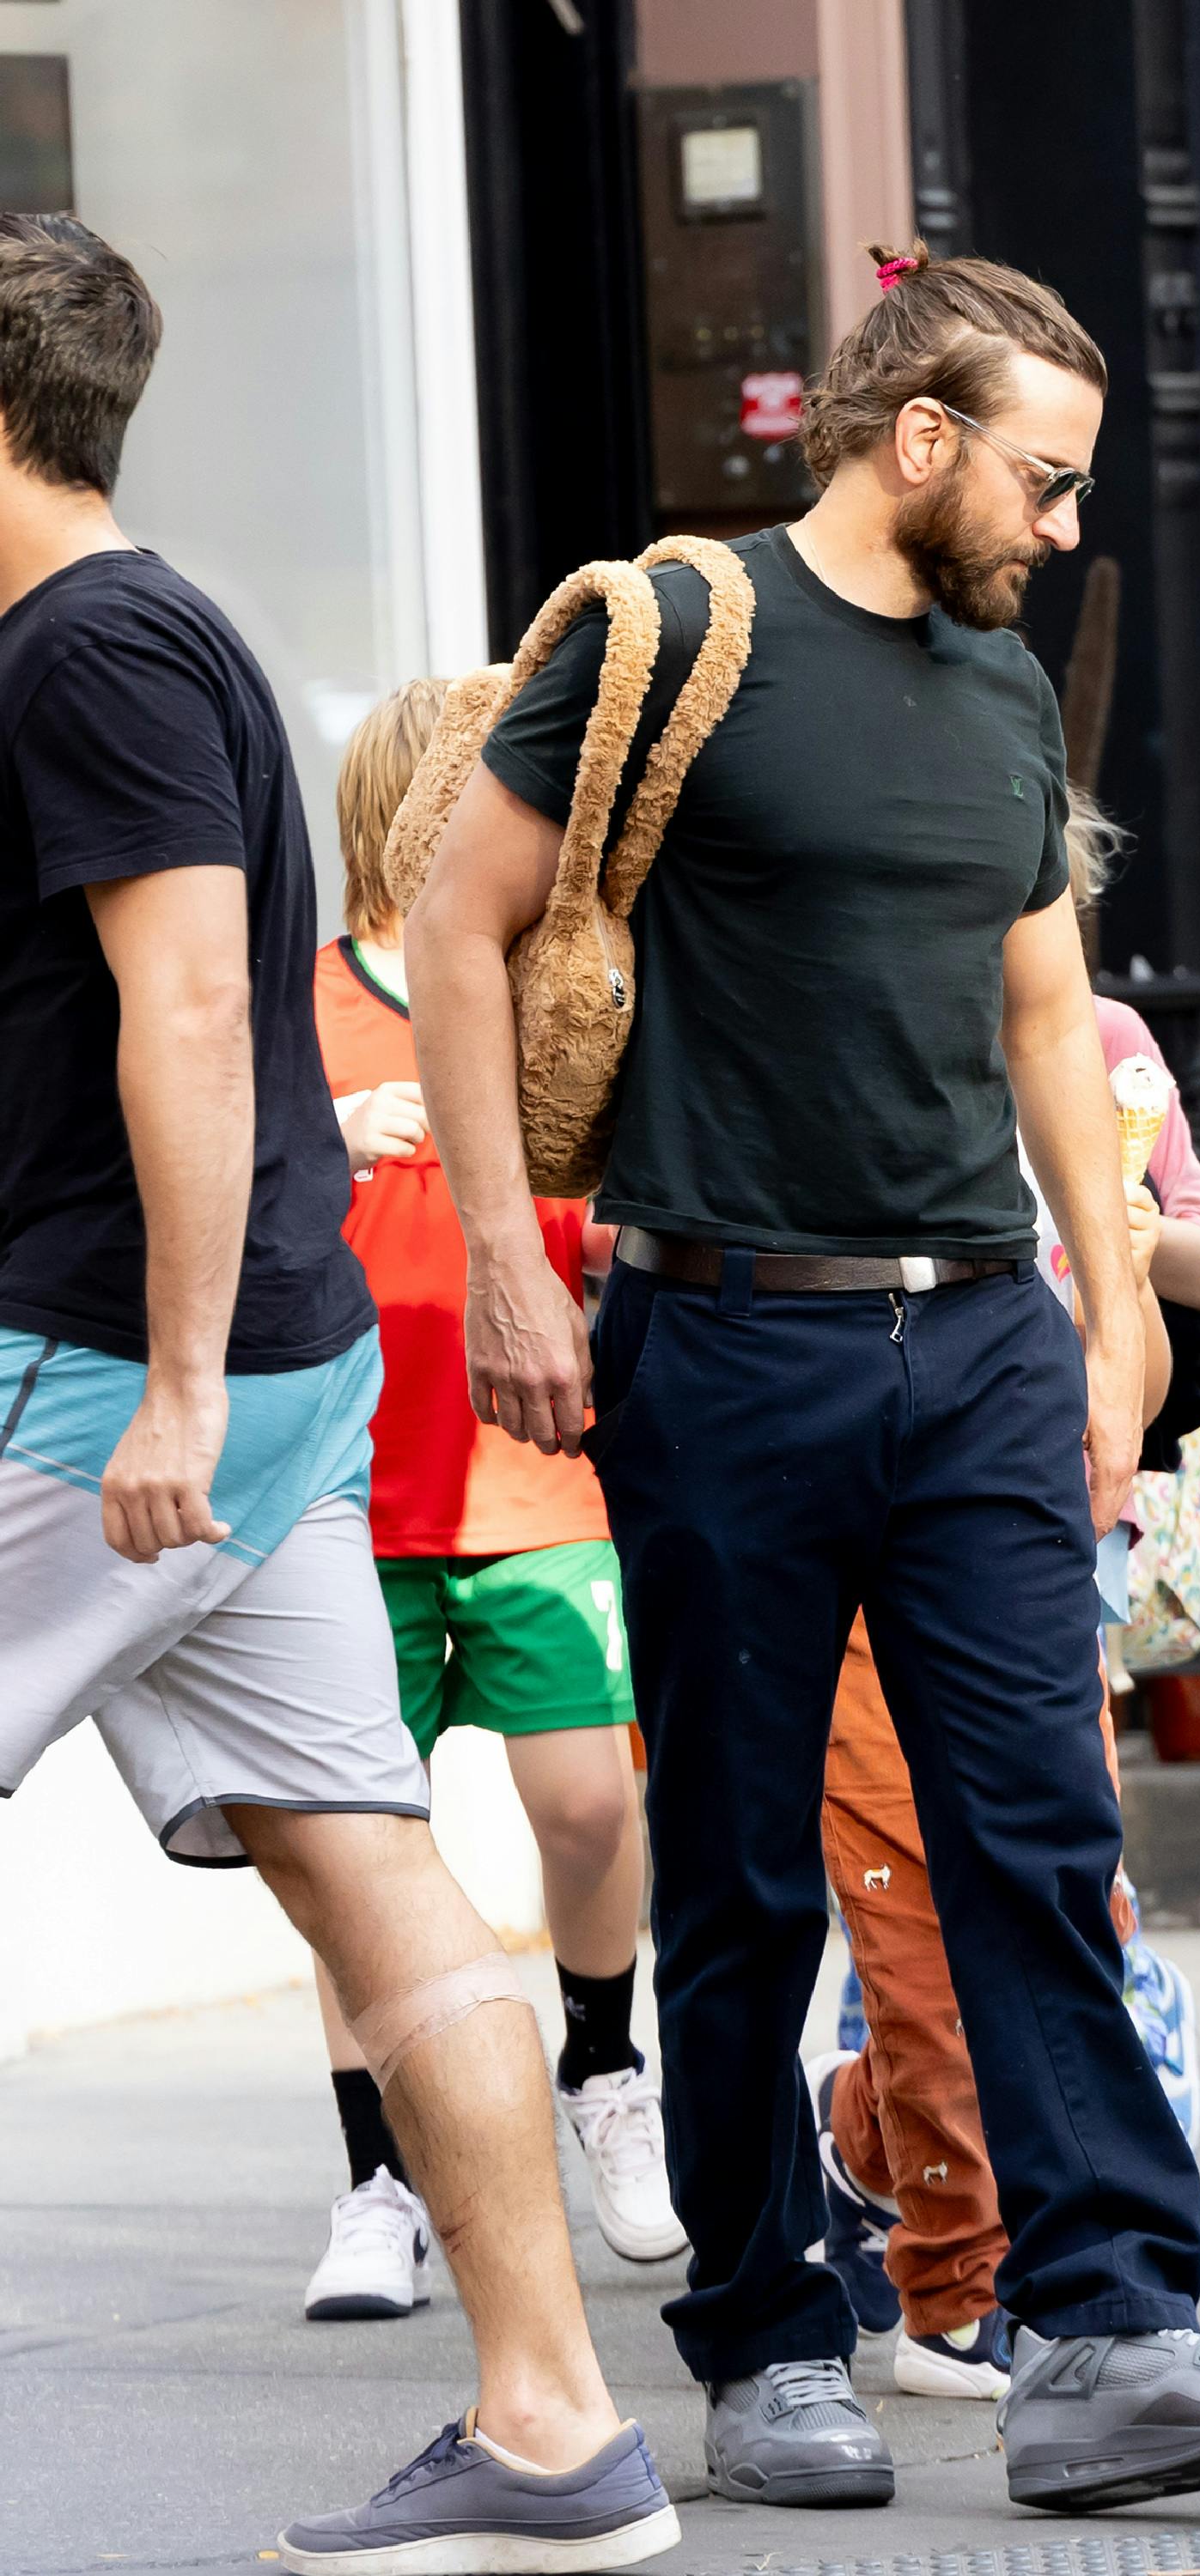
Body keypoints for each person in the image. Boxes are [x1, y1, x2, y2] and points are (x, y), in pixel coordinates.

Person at [405, 238, 1200, 2515]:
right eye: (1039, 480)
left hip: (979, 1344)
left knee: (1038, 1840)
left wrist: (1118, 1302)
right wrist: (506, 1271)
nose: (1059, 527)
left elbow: (1049, 1013)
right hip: (724, 1326)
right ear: (914, 439)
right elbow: (458, 927)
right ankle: (766, 2332)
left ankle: (1112, 2329)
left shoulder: (1002, 698)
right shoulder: (670, 634)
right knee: (742, 1865)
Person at [0, 214, 676, 2573]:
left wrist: (174, 1380)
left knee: (389, 1896)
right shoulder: (133, 627)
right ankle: (556, 2423)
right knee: (381, 1892)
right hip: (223, 1378)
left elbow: (195, 1012)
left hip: (114, 1379)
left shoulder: (86, 643)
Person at [816, 856, 1200, 2397]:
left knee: (1061, 1895)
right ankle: (958, 2272)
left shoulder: (1118, 1045)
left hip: (1069, 1517)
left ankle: (894, 2155)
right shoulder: (852, 1022)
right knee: (912, 1914)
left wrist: (1130, 1238)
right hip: (871, 1495)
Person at [297, 681, 682, 2323]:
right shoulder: (295, 1001)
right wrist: (330, 1129)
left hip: (536, 1477)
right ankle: (378, 2175)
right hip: (341, 1491)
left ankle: (605, 2065)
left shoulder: (558, 1002)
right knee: (357, 1851)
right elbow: (176, 1151)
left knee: (590, 1804)